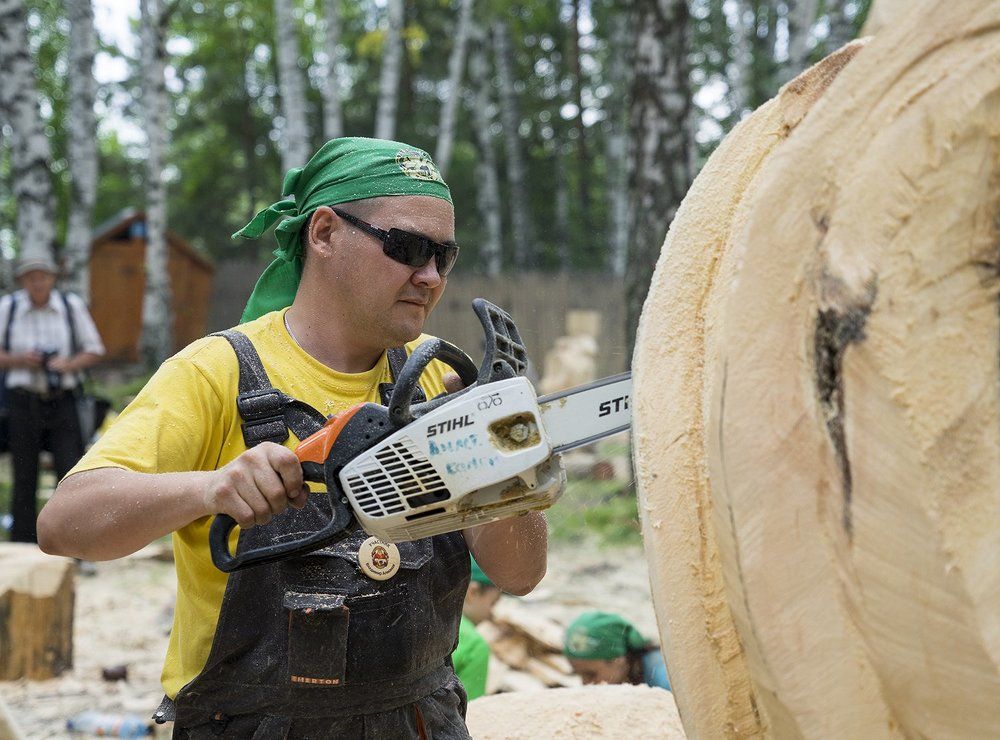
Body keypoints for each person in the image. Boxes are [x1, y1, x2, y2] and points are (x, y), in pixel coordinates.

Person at [37, 137, 547, 738]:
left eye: (444, 255)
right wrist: (209, 489)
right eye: (407, 247)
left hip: (419, 719)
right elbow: (64, 524)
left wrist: (505, 463)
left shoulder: (443, 381)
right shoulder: (217, 372)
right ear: (325, 233)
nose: (430, 276)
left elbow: (520, 574)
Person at [0, 255, 104, 543]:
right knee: (24, 475)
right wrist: (21, 360)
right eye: (30, 277)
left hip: (63, 400)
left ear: (52, 278)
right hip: (23, 401)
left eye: (42, 276)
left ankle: (73, 542)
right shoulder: (7, 309)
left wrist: (67, 365)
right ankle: (22, 544)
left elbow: (95, 349)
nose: (37, 282)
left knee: (71, 472)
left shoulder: (70, 308)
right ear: (22, 281)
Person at [563, 611, 670, 691]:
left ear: (618, 660)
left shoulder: (664, 679)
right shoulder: (625, 677)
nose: (585, 684)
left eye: (591, 674)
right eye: (578, 674)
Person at [452, 557, 499, 700]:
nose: (493, 614)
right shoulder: (475, 646)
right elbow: (471, 713)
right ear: (473, 592)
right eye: (493, 602)